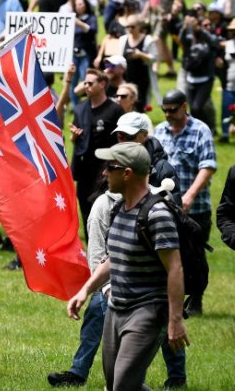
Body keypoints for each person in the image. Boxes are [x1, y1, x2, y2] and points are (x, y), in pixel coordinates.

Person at [67, 142, 189, 391]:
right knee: (115, 384)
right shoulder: (118, 209)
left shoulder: (157, 215)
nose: (104, 173)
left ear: (127, 173)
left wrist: (175, 319)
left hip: (146, 312)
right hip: (116, 309)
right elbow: (114, 258)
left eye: (110, 167)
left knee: (123, 385)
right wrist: (85, 290)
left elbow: (175, 268)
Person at [153, 89, 217, 316]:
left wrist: (189, 195)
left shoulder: (200, 130)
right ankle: (171, 301)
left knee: (194, 254)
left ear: (184, 107)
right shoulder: (159, 131)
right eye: (165, 110)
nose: (168, 114)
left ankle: (196, 300)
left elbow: (208, 166)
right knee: (169, 254)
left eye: (172, 110)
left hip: (195, 208)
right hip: (167, 207)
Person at [70, 68, 124, 224]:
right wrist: (74, 137)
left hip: (105, 169)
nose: (86, 86)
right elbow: (76, 137)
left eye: (90, 83)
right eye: (85, 83)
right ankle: (91, 247)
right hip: (83, 169)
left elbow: (121, 140)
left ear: (102, 84)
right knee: (86, 210)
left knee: (104, 212)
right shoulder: (80, 109)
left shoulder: (115, 110)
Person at [120, 15, 156, 112]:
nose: (130, 29)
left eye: (133, 27)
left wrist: (140, 55)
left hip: (142, 80)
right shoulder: (123, 39)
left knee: (139, 106)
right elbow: (119, 58)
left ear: (139, 26)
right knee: (125, 105)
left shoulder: (147, 40)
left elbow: (154, 58)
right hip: (126, 78)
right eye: (128, 27)